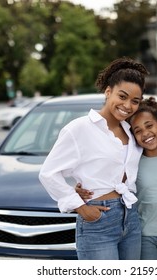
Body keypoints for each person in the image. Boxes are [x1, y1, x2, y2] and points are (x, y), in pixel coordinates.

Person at [39, 57, 149, 260]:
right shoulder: (80, 128)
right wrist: (80, 207)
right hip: (99, 220)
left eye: (135, 101)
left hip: (130, 218)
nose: (128, 105)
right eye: (122, 96)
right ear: (108, 92)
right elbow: (48, 173)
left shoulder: (131, 130)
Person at [77, 97, 157, 260]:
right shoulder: (132, 163)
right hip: (144, 236)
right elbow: (107, 181)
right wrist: (79, 190)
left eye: (149, 126)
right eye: (138, 130)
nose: (145, 133)